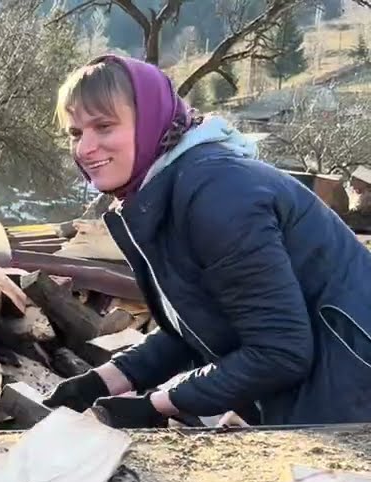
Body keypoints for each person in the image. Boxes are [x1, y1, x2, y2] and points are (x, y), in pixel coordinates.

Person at [44, 54, 371, 428]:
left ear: (149, 120)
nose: (85, 149)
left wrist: (158, 404)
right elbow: (200, 326)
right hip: (328, 396)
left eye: (103, 126)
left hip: (354, 397)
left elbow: (281, 352)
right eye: (75, 132)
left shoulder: (217, 194)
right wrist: (100, 382)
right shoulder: (164, 191)